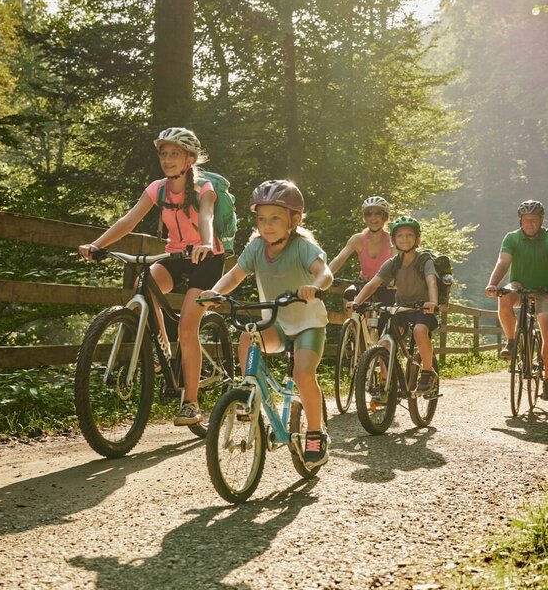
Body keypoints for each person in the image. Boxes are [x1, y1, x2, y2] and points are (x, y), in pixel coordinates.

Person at [78, 127, 225, 425]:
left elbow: (207, 215)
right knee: (143, 286)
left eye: (174, 154)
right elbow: (129, 220)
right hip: (175, 256)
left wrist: (206, 242)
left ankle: (191, 403)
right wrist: (98, 244)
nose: (167, 160)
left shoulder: (204, 188)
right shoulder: (157, 189)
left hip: (207, 258)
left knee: (187, 327)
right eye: (164, 154)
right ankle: (162, 350)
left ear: (189, 159)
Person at [199, 180, 333, 467]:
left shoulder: (303, 247)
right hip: (276, 323)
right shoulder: (256, 248)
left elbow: (325, 273)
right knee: (247, 336)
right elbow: (234, 275)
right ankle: (247, 391)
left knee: (303, 375)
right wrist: (215, 292)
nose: (267, 225)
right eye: (262, 219)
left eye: (275, 219)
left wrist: (314, 287)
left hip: (308, 324)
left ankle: (315, 433)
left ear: (293, 221)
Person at [347, 215, 440, 397]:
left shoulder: (424, 261)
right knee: (385, 341)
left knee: (419, 330)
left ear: (417, 239)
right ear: (394, 240)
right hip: (401, 308)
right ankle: (385, 382)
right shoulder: (393, 263)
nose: (405, 239)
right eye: (400, 236)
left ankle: (428, 372)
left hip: (422, 308)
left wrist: (433, 302)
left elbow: (431, 282)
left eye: (409, 235)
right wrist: (357, 301)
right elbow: (373, 283)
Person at [484, 199, 548, 401]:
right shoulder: (512, 238)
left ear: (541, 220)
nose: (530, 223)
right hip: (519, 285)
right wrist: (492, 284)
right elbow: (503, 263)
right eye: (526, 219)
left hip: (545, 290)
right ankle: (512, 340)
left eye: (534, 219)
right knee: (504, 296)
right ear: (520, 220)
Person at [327, 196, 397, 319]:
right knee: (349, 295)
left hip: (386, 286)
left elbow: (398, 263)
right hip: (363, 284)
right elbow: (339, 259)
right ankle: (352, 327)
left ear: (384, 217)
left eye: (377, 214)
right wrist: (325, 275)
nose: (373, 218)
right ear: (365, 217)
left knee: (387, 320)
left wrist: (395, 279)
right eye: (369, 214)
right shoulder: (358, 239)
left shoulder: (392, 240)